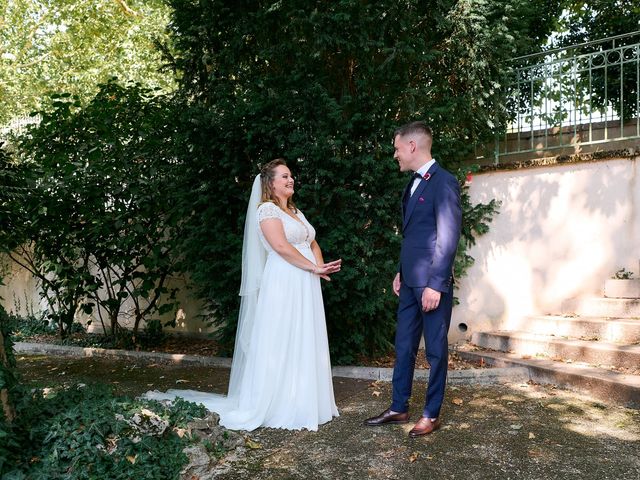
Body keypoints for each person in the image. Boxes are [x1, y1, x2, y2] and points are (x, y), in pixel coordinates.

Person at [146, 159, 342, 431]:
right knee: (283, 336)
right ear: (270, 183)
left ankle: (305, 398)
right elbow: (282, 247)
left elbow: (311, 241)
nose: (290, 180)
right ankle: (280, 402)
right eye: (284, 176)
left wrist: (319, 269)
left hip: (305, 281)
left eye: (291, 176)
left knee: (304, 334)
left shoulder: (296, 212)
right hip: (285, 280)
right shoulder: (267, 211)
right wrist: (313, 267)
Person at [364, 121, 462, 437]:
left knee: (434, 350)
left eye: (396, 148)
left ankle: (431, 414)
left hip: (431, 284)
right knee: (404, 345)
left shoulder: (444, 182)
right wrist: (401, 271)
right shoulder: (411, 185)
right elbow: (415, 235)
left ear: (412, 146)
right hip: (408, 282)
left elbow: (448, 236)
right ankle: (398, 407)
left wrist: (436, 283)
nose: (395, 155)